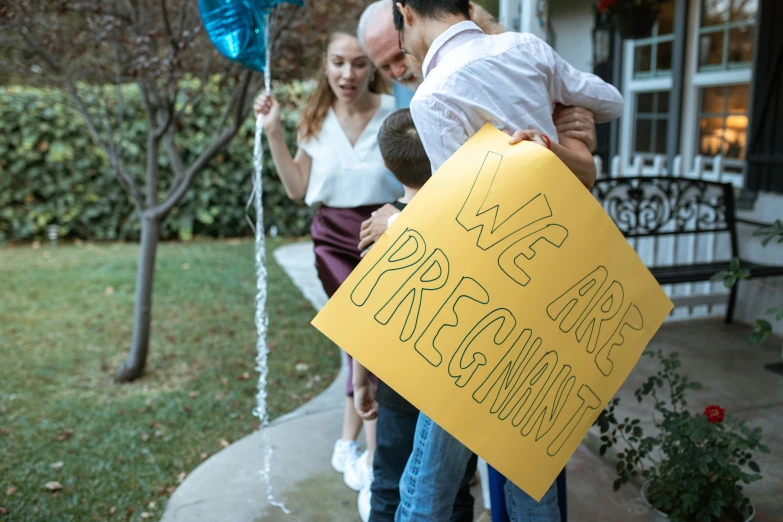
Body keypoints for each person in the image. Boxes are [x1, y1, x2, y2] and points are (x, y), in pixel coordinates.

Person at [387, 1, 625, 520]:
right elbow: (610, 101)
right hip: (554, 288)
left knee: (429, 479)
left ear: (406, 10)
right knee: (529, 469)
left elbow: (467, 221)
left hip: (486, 308)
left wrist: (399, 225)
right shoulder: (524, 47)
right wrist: (570, 124)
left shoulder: (434, 96)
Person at [253, 23, 403, 495]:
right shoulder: (313, 119)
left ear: (373, 67)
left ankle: (348, 443)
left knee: (367, 344)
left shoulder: (397, 114)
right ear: (326, 65)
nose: (348, 73)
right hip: (334, 241)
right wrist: (274, 131)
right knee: (369, 340)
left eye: (360, 63)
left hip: (385, 238)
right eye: (339, 62)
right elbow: (298, 189)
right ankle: (378, 469)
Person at [356, 0, 601, 252]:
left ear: (410, 21)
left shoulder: (507, 70)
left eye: (400, 52)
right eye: (385, 67)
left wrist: (577, 131)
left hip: (525, 241)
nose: (398, 71)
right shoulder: (403, 102)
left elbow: (469, 203)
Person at [352, 108, 478, 522]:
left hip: (398, 384)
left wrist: (359, 382)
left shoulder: (378, 227)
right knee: (456, 490)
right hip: (459, 384)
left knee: (388, 485)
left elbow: (367, 317)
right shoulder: (466, 223)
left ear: (388, 165)